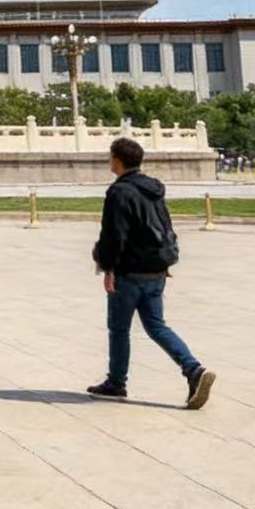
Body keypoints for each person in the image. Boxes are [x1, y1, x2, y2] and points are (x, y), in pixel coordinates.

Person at [87, 137, 215, 409]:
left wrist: (108, 267)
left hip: (129, 271)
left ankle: (116, 382)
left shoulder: (119, 192)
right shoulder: (154, 190)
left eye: (110, 157)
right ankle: (193, 369)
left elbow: (115, 235)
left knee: (119, 329)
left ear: (117, 160)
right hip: (156, 269)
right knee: (156, 326)